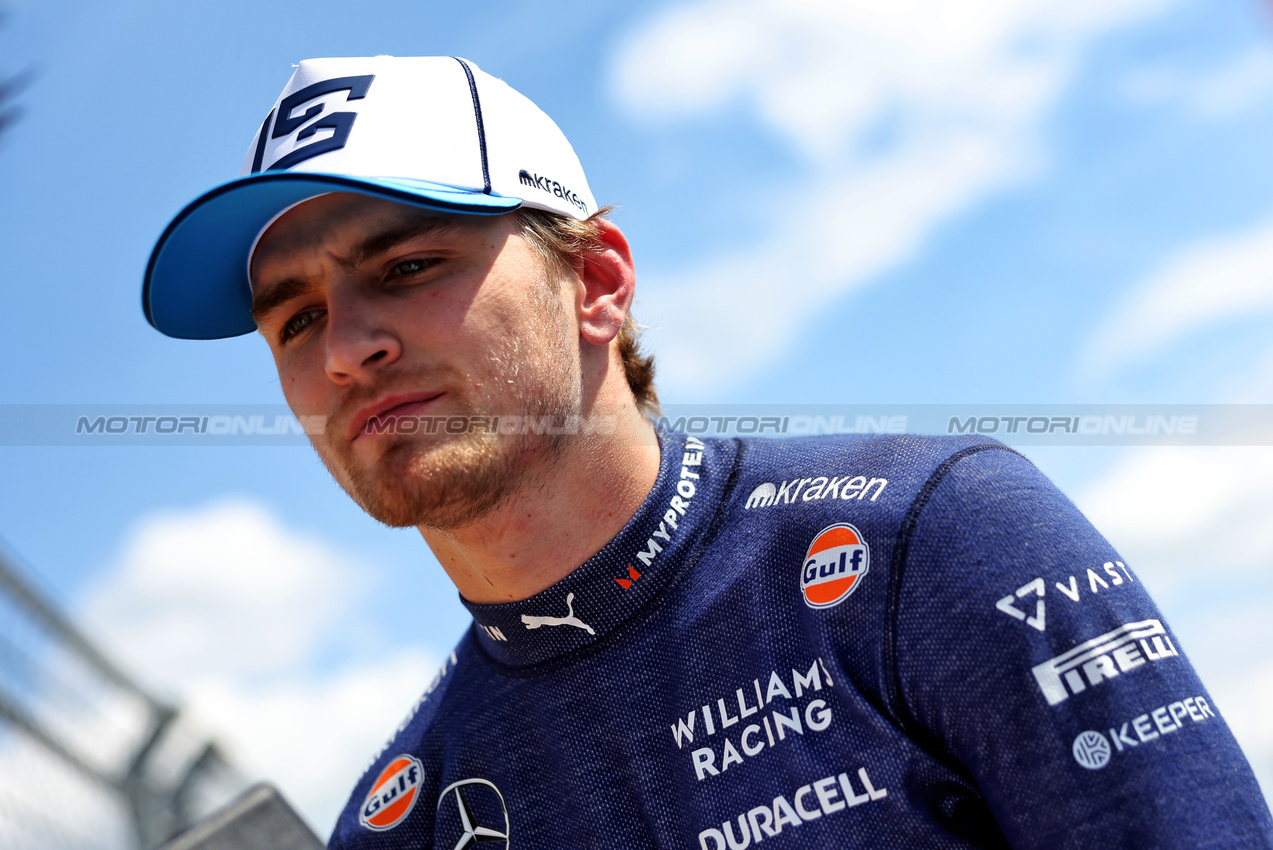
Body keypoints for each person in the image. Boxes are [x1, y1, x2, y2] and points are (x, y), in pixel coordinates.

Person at [143, 56, 1272, 849]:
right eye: (294, 321)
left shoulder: (933, 541)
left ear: (594, 282)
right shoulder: (403, 815)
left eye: (405, 268)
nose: (346, 348)